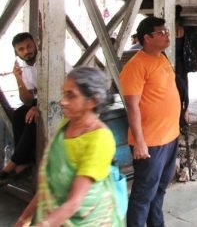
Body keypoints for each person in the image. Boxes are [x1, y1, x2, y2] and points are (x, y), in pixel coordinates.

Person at [14, 67, 123, 226]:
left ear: (92, 101)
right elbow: (49, 184)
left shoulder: (100, 139)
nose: (63, 101)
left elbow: (74, 202)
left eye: (71, 95)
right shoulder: (67, 124)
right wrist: (24, 219)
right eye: (64, 93)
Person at [120, 16, 181, 226]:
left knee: (160, 190)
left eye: (166, 31)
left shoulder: (162, 57)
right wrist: (139, 142)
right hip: (151, 143)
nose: (167, 35)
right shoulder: (135, 66)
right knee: (143, 195)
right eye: (161, 32)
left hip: (170, 137)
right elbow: (132, 106)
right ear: (147, 38)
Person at [0, 33, 39, 182]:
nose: (26, 51)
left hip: (61, 98)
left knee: (33, 119)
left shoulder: (47, 59)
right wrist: (19, 79)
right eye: (21, 49)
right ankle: (22, 162)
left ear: (35, 44)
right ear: (16, 52)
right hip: (40, 100)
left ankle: (12, 164)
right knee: (19, 114)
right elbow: (27, 100)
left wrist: (39, 108)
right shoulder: (24, 67)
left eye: (29, 46)